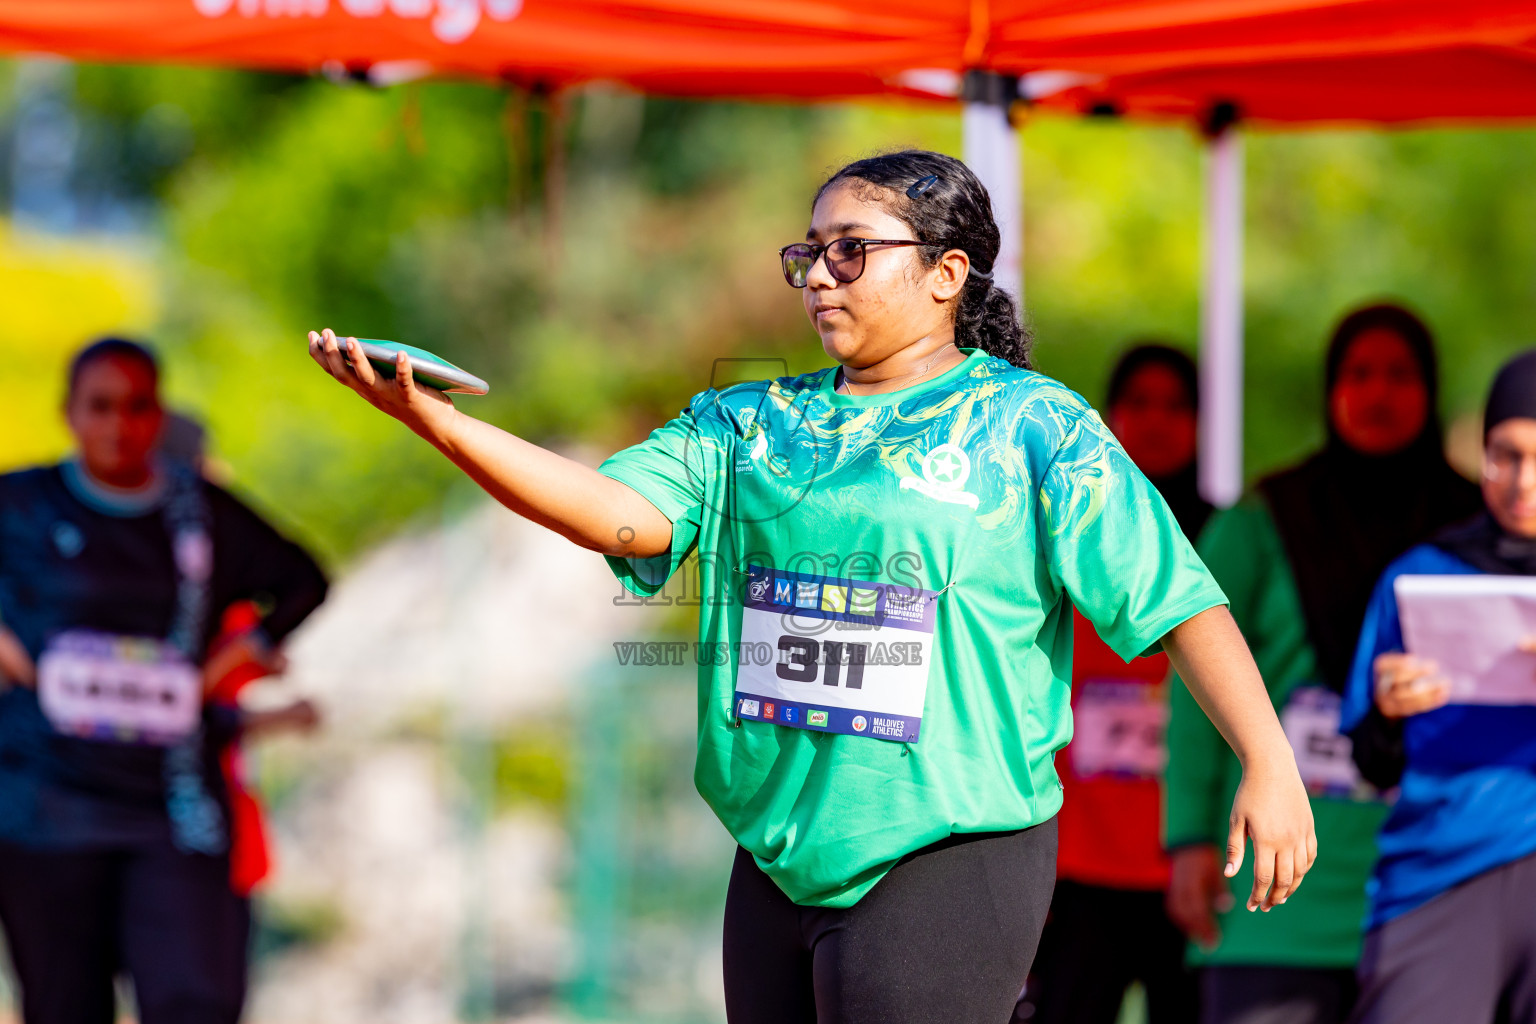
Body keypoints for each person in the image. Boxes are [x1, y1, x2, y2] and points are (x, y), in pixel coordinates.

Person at [307, 149, 1315, 1024]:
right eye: (809, 253)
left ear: (944, 274)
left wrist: (1268, 765)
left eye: (852, 250)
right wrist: (435, 423)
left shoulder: (1032, 426)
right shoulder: (745, 424)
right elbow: (616, 513)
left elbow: (1181, 601)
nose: (819, 276)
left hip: (950, 845)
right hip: (778, 854)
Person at [1164, 304, 1481, 1024]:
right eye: (1358, 374)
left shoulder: (1473, 535)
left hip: (1431, 883)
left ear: (1430, 390)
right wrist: (1186, 842)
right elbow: (1192, 691)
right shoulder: (1260, 521)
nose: (1377, 394)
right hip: (1276, 890)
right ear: (1330, 388)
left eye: (1399, 376)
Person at [0, 337, 328, 1024]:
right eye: (101, 407)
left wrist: (241, 653)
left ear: (158, 414)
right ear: (70, 413)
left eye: (138, 406)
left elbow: (304, 580)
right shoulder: (22, 504)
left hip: (176, 814)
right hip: (44, 812)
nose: (119, 424)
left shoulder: (200, 514)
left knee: (195, 1004)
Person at [1340, 349, 1536, 1024]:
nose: (1522, 481)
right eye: (1504, 455)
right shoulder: (1421, 576)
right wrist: (1390, 712)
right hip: (1440, 871)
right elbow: (1370, 760)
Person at [1022, 343, 1211, 1024]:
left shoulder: (1227, 541)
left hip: (1191, 874)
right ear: (1112, 416)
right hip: (1076, 876)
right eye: (1139, 404)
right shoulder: (1060, 536)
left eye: (1176, 406)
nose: (1157, 421)